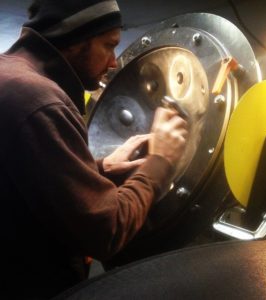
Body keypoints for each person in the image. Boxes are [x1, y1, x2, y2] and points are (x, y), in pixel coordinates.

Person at [0, 0, 188, 299]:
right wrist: (159, 162)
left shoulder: (10, 76)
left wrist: (100, 169)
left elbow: (24, 182)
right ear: (75, 41)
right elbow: (105, 233)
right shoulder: (39, 100)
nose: (113, 62)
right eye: (109, 45)